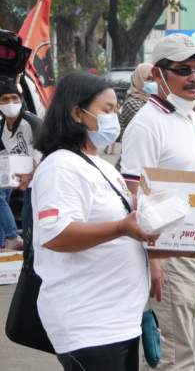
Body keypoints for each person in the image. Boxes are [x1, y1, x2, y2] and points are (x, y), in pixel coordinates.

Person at [30, 73, 162, 370]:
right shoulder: (61, 166)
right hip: (89, 323)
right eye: (107, 109)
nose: (115, 117)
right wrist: (121, 227)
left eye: (116, 109)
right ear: (77, 113)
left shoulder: (100, 165)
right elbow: (57, 235)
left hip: (120, 320)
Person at [121, 34, 195, 371]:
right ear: (157, 75)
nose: (194, 77)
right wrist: (153, 261)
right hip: (169, 256)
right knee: (174, 358)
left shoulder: (188, 117)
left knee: (179, 348)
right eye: (183, 70)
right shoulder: (147, 125)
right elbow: (136, 197)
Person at [0, 76, 40, 250]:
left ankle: (12, 236)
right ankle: (5, 242)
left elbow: (44, 153)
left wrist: (31, 172)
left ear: (21, 100)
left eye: (14, 98)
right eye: (5, 99)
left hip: (37, 173)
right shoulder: (2, 127)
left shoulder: (32, 122)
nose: (11, 102)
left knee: (30, 217)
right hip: (16, 171)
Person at [114, 62, 155, 169]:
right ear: (139, 79)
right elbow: (152, 122)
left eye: (154, 79)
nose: (152, 83)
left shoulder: (150, 100)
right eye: (148, 79)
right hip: (130, 165)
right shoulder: (132, 102)